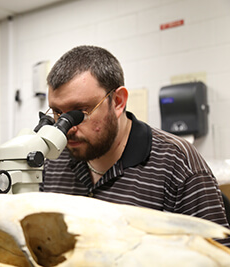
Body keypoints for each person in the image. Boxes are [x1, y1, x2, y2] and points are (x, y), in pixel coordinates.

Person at [40, 45, 230, 247]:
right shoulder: (55, 158)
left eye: (80, 112)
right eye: (58, 113)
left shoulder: (176, 162)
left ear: (118, 102)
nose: (67, 128)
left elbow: (216, 256)